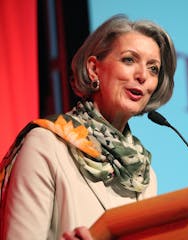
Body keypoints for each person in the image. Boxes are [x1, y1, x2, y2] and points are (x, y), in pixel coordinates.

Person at [0, 14, 176, 239]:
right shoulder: (47, 144)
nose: (143, 75)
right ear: (94, 69)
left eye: (153, 69)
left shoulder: (145, 176)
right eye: (129, 60)